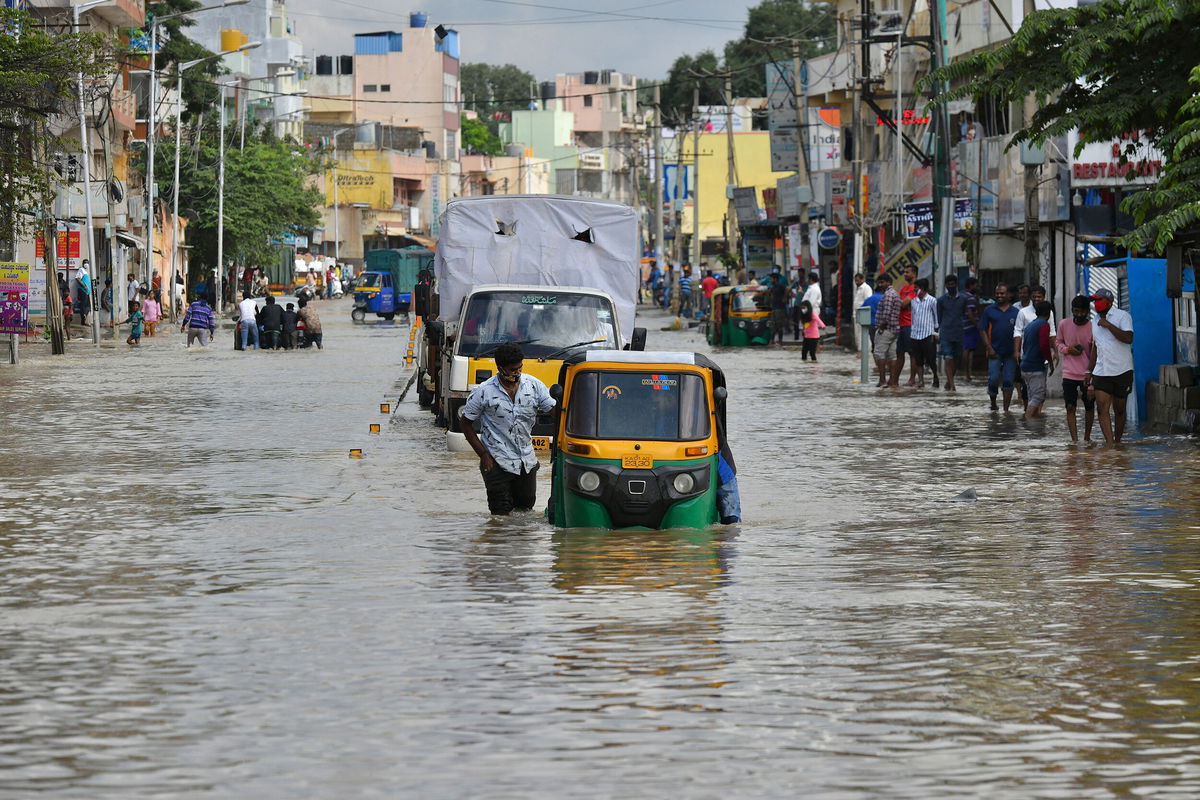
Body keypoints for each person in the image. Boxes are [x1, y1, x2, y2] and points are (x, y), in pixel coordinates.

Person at [460, 342, 556, 516]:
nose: (517, 373)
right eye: (512, 370)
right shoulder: (483, 392)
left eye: (519, 368)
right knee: (500, 517)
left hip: (526, 462)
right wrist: (483, 455)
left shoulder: (534, 386)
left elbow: (555, 412)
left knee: (525, 513)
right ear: (500, 368)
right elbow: (465, 424)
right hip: (496, 462)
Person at [1087, 287, 1134, 444]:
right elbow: (1096, 347)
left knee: (1119, 410)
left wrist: (1108, 325)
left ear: (1108, 302)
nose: (1095, 304)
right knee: (1102, 408)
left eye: (1098, 300)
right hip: (1102, 371)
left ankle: (1118, 441)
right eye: (1094, 301)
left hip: (1122, 370)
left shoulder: (1123, 316)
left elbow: (1128, 338)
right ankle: (1110, 444)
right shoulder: (1094, 321)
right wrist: (1089, 370)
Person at [1057, 295, 1096, 442]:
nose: (1079, 314)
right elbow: (1058, 342)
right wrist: (1067, 349)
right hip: (1069, 374)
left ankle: (1087, 438)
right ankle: (1074, 441)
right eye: (1076, 311)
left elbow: (1095, 353)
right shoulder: (1063, 324)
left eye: (1082, 311)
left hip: (1087, 375)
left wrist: (1092, 377)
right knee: (1070, 407)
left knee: (1089, 407)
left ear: (1087, 311)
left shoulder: (1093, 327)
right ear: (1072, 310)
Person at [979, 282, 1020, 411]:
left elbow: (1020, 332)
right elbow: (982, 329)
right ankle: (993, 403)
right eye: (997, 294)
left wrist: (1017, 351)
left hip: (1010, 353)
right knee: (993, 379)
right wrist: (989, 347)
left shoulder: (1016, 312)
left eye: (1002, 293)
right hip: (994, 351)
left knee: (1008, 381)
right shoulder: (989, 310)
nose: (999, 296)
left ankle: (1006, 410)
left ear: (1009, 295)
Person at [1020, 300, 1054, 420]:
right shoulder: (1044, 325)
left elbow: (1025, 345)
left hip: (1025, 365)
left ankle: (1032, 428)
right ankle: (1027, 420)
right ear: (1049, 313)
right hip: (1035, 366)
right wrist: (1050, 362)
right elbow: (1044, 345)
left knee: (1032, 397)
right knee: (1038, 397)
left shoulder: (1030, 325)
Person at [936, 275, 968, 391]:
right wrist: (938, 332)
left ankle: (949, 382)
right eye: (948, 284)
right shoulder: (941, 300)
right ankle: (952, 386)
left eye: (952, 284)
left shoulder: (963, 299)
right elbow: (939, 318)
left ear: (956, 284)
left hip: (959, 332)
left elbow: (964, 314)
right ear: (946, 286)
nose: (951, 286)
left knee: (956, 358)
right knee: (948, 358)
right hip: (946, 332)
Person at [909, 278, 939, 388]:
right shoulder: (913, 301)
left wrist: (935, 333)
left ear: (923, 289)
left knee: (931, 358)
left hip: (928, 333)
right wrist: (912, 331)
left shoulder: (932, 301)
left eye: (917, 288)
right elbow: (913, 317)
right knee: (918, 359)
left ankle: (935, 377)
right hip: (915, 334)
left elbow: (936, 317)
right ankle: (921, 381)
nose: (915, 290)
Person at [874, 274, 902, 388]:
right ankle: (893, 382)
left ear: (888, 282)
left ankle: (882, 380)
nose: (880, 285)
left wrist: (881, 326)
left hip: (886, 329)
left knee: (879, 354)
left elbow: (886, 311)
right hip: (894, 329)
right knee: (892, 356)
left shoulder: (888, 294)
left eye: (881, 282)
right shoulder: (895, 293)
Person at [897, 265, 919, 385]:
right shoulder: (904, 288)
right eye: (904, 272)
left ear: (914, 273)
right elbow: (900, 303)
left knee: (912, 353)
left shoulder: (915, 288)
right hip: (901, 324)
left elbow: (903, 303)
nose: (905, 274)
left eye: (907, 272)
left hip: (910, 324)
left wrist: (900, 303)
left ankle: (912, 379)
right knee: (899, 352)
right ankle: (895, 379)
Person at [960, 277, 980, 382]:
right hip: (969, 327)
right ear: (971, 285)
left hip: (960, 327)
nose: (977, 287)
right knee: (967, 350)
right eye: (976, 285)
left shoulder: (960, 295)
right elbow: (970, 313)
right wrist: (977, 325)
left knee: (965, 349)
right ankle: (966, 374)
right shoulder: (970, 297)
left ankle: (965, 373)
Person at [862, 276, 884, 351]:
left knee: (874, 346)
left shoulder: (868, 299)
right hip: (882, 325)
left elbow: (862, 309)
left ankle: (877, 361)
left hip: (871, 324)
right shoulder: (884, 298)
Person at [851, 272, 872, 354]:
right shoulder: (858, 288)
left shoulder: (866, 288)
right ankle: (861, 350)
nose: (856, 282)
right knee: (858, 333)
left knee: (862, 333)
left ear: (863, 279)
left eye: (858, 280)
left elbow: (868, 301)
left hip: (863, 313)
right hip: (857, 313)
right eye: (855, 281)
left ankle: (863, 350)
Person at [768, 271, 790, 345]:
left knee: (779, 325)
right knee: (773, 325)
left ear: (775, 279)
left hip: (780, 308)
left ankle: (780, 340)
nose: (770, 280)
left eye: (771, 279)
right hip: (774, 308)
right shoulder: (773, 287)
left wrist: (784, 297)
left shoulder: (780, 285)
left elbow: (787, 289)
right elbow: (770, 293)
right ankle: (772, 340)